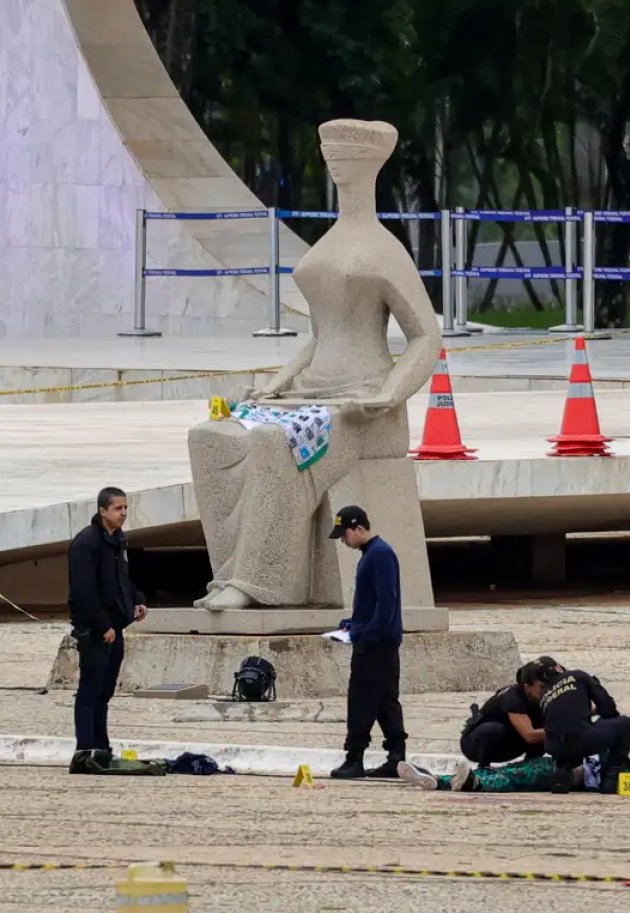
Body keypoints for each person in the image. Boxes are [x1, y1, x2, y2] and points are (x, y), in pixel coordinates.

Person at [187, 119, 440, 612]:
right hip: (307, 395)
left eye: (345, 154)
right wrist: (274, 385)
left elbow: (426, 335)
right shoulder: (328, 243)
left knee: (270, 442)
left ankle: (263, 583)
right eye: (330, 153)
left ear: (370, 163)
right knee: (210, 437)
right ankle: (230, 572)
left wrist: (388, 395)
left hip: (358, 405)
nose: (335, 162)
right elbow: (319, 335)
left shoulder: (386, 250)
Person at [67, 486, 147, 768]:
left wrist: (136, 600)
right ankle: (84, 750)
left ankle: (101, 747)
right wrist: (103, 626)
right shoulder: (86, 543)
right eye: (117, 508)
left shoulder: (118, 540)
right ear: (103, 511)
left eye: (125, 508)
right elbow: (84, 592)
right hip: (95, 629)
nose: (123, 514)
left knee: (105, 691)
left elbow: (121, 579)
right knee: (90, 689)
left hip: (116, 625)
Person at [327, 505, 408, 779]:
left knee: (361, 700)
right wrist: (352, 625)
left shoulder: (380, 554)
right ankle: (397, 757)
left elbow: (387, 605)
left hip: (376, 645)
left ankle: (355, 758)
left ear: (359, 528)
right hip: (379, 640)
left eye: (345, 534)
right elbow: (371, 603)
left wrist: (365, 636)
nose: (343, 540)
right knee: (385, 700)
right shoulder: (371, 554)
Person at [537, 661, 630, 794]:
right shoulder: (578, 676)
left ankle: (560, 772)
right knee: (624, 723)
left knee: (568, 731)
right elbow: (607, 706)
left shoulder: (543, 693)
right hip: (580, 740)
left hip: (554, 747)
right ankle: (611, 777)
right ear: (559, 668)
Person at [398, 755, 630, 795]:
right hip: (555, 764)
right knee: (510, 771)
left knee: (514, 778)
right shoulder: (617, 758)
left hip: (562, 774)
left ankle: (473, 784)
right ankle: (436, 780)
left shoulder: (624, 776)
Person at [459, 662, 546, 767]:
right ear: (527, 687)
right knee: (494, 729)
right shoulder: (513, 698)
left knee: (544, 731)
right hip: (475, 745)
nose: (547, 690)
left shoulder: (543, 699)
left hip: (510, 742)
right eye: (542, 686)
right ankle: (484, 768)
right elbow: (530, 736)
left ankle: (531, 767)